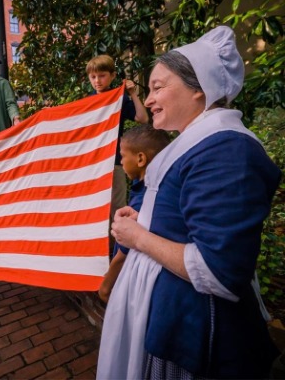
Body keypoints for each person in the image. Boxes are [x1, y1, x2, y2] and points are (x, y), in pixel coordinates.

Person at [97, 26, 281, 379]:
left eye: (157, 87)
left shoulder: (227, 150)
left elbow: (219, 270)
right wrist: (146, 219)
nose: (148, 100)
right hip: (175, 318)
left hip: (196, 335)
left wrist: (138, 237)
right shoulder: (197, 143)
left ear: (199, 89)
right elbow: (189, 217)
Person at [98, 124, 170, 303]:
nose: (121, 162)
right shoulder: (159, 189)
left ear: (140, 159)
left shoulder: (141, 200)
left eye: (122, 156)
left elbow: (124, 252)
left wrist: (106, 286)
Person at [86, 55, 149, 252]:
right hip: (93, 164)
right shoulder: (87, 102)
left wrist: (132, 93)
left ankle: (119, 252)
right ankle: (101, 253)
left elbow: (142, 118)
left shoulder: (119, 99)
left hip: (114, 162)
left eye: (102, 76)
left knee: (117, 208)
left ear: (113, 76)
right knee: (95, 210)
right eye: (93, 77)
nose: (97, 81)